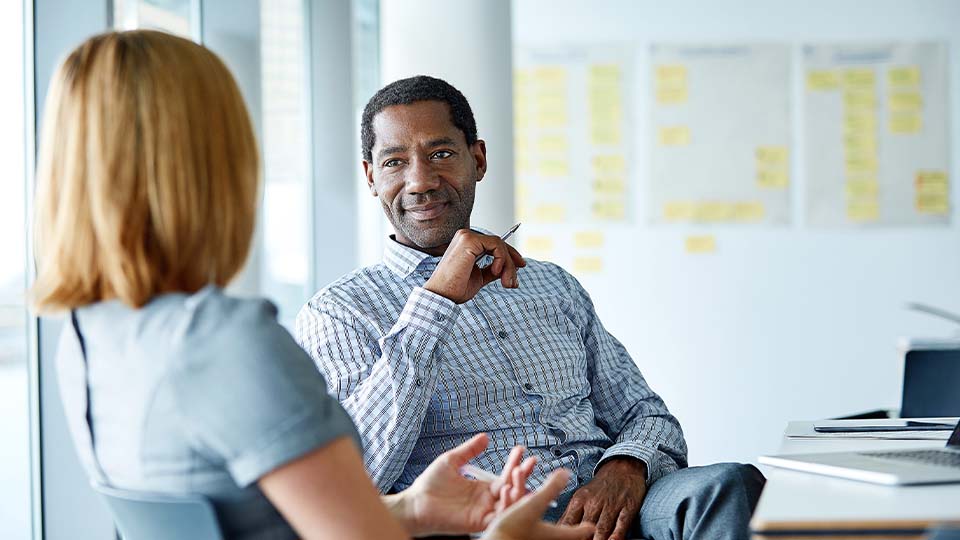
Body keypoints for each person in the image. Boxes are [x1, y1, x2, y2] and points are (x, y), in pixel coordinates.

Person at [31, 31, 595, 540]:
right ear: (213, 165)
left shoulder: (89, 338)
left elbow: (275, 524)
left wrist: (411, 510)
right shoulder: (227, 342)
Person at [296, 75, 766, 540]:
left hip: (616, 512)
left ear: (478, 159)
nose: (420, 181)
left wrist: (625, 467)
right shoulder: (338, 313)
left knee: (726, 485)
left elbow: (647, 414)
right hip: (491, 525)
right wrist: (435, 302)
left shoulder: (551, 284)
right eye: (394, 162)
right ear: (371, 177)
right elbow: (360, 476)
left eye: (440, 154)